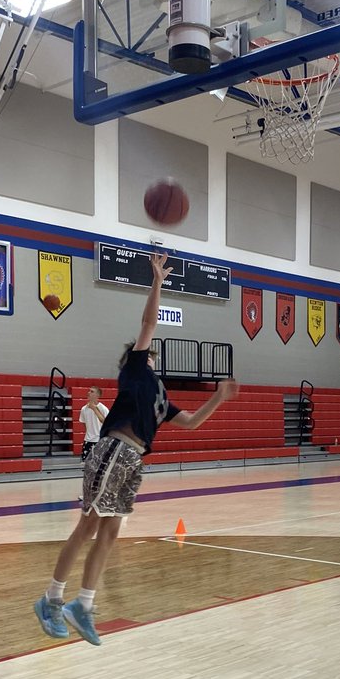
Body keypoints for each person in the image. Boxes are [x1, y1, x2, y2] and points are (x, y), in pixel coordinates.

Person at [34, 253, 239, 647]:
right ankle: (51, 599)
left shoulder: (160, 397)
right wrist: (157, 281)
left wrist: (219, 399)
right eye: (148, 352)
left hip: (133, 461)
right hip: (113, 450)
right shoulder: (133, 370)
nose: (152, 355)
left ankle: (84, 605)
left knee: (109, 533)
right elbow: (148, 323)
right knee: (88, 527)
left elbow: (192, 422)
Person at [79, 386, 109, 460]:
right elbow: (84, 424)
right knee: (86, 464)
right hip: (88, 440)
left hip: (100, 440)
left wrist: (94, 409)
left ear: (98, 395)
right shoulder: (84, 409)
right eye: (89, 391)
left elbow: (106, 423)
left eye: (92, 391)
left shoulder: (103, 408)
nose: (89, 393)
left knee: (99, 464)